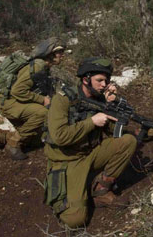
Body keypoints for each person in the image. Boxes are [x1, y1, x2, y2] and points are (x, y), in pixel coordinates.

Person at [43, 57, 137, 228]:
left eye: (106, 81)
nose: (104, 85)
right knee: (75, 220)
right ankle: (72, 190)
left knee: (128, 141)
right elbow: (59, 136)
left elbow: (113, 133)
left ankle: (100, 189)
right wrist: (91, 122)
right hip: (67, 161)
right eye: (99, 80)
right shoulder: (62, 100)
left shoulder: (99, 100)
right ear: (86, 79)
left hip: (90, 153)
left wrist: (111, 105)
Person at [0, 37, 65, 160]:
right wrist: (43, 100)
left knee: (37, 140)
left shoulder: (44, 66)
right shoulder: (38, 66)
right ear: (50, 54)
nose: (62, 55)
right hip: (9, 102)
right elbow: (18, 90)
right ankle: (13, 144)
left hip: (16, 101)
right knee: (43, 114)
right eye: (59, 52)